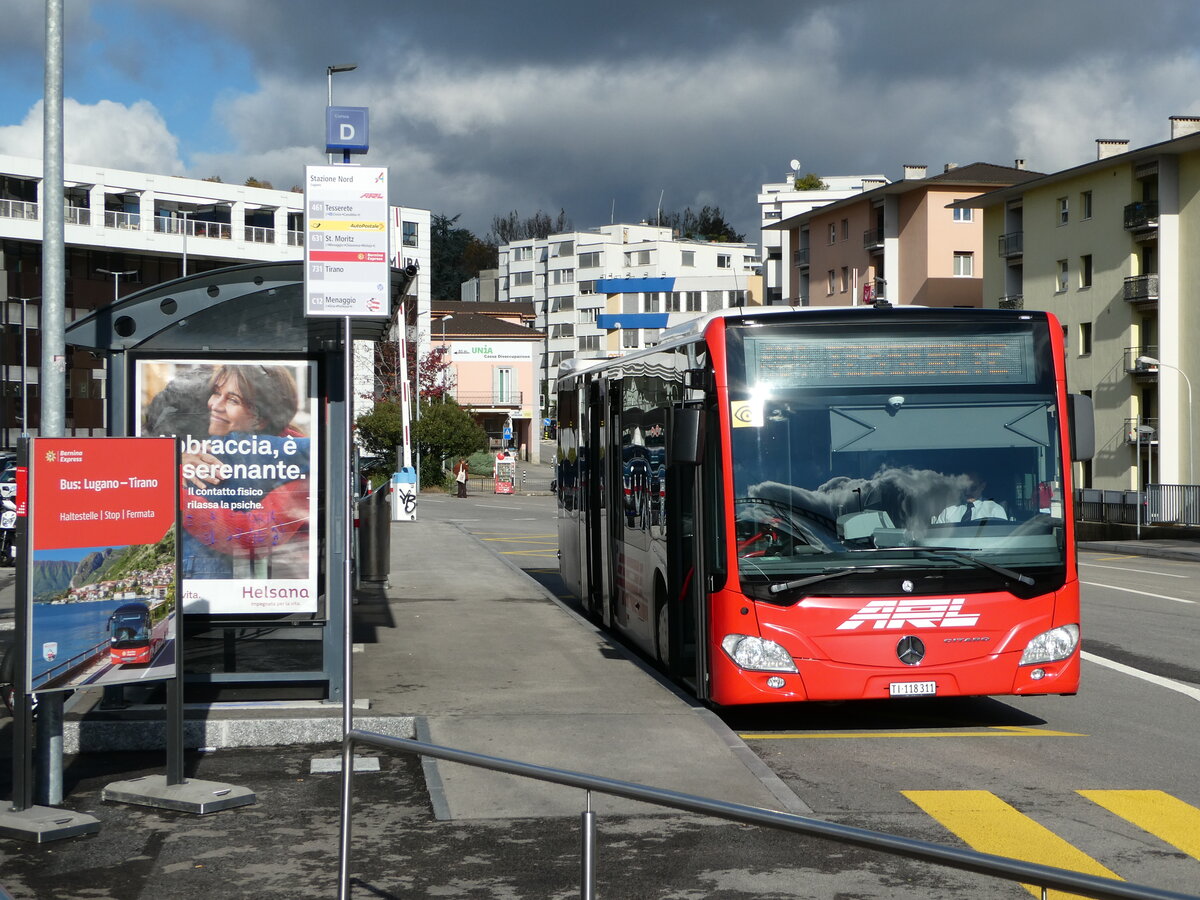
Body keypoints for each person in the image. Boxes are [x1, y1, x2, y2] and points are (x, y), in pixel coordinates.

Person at [933, 479, 1007, 524]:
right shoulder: (948, 512)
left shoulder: (995, 510)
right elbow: (936, 539)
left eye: (972, 487)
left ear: (982, 486)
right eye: (964, 487)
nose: (967, 492)